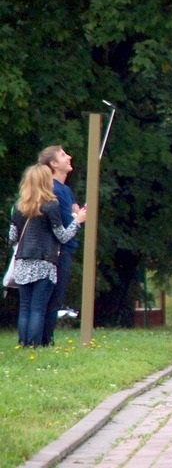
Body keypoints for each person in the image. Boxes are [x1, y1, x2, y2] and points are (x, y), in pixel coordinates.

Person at [9, 164, 87, 347]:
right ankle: (35, 344)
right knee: (38, 307)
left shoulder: (18, 206)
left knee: (25, 306)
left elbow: (12, 237)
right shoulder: (51, 206)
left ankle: (24, 343)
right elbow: (62, 236)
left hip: (22, 261)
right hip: (44, 261)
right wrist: (77, 221)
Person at [38, 145, 83, 346]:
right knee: (52, 298)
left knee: (56, 297)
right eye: (63, 155)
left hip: (66, 247)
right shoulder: (55, 189)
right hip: (58, 249)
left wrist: (76, 215)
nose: (69, 157)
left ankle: (45, 338)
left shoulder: (66, 189)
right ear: (53, 164)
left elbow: (72, 216)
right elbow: (67, 220)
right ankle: (45, 340)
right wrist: (77, 216)